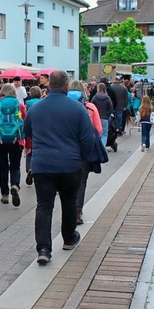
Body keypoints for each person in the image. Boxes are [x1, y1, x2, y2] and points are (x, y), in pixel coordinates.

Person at [23, 71, 93, 266]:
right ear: (66, 86)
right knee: (69, 202)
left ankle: (44, 249)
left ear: (48, 85)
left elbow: (27, 130)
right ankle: (69, 238)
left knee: (44, 205)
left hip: (42, 165)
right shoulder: (78, 109)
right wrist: (82, 157)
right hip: (70, 164)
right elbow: (88, 138)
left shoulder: (36, 109)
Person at [68, 80, 103, 226]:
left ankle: (68, 212)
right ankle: (77, 212)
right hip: (84, 151)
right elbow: (99, 130)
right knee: (81, 182)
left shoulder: (65, 107)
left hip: (67, 150)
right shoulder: (90, 107)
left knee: (68, 183)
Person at [24, 86, 42, 185]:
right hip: (40, 130)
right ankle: (38, 169)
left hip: (31, 128)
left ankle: (29, 168)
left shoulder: (28, 103)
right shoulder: (42, 102)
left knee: (29, 152)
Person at [91, 83, 115, 149]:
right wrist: (107, 115)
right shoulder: (107, 98)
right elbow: (111, 108)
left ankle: (96, 147)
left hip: (96, 118)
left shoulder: (95, 97)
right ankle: (103, 147)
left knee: (96, 133)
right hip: (105, 118)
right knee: (104, 133)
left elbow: (91, 106)